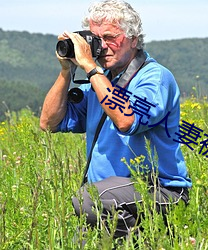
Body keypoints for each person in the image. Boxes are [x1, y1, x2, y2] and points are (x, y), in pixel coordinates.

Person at [40, 0, 192, 244]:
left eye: (110, 37)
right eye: (96, 39)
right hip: (110, 199)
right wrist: (66, 70)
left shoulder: (154, 77)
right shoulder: (99, 83)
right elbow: (49, 123)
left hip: (159, 191)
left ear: (133, 39)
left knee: (88, 200)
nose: (102, 47)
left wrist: (90, 67)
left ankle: (147, 241)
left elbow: (127, 120)